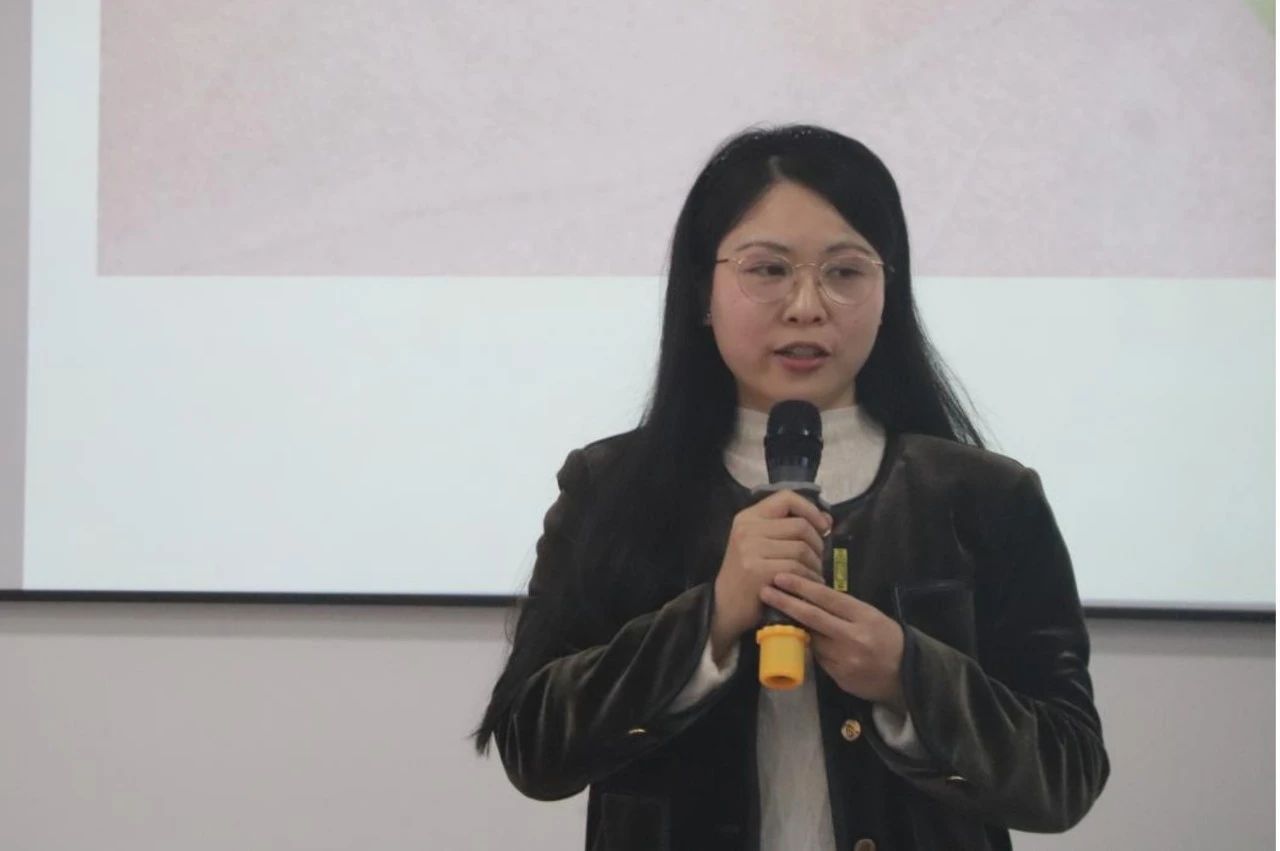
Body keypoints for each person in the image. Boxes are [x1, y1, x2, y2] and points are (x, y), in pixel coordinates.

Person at [471, 124, 1109, 850]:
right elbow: (533, 748)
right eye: (769, 269)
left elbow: (1066, 774)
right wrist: (711, 619)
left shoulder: (985, 497)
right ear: (702, 291)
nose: (807, 305)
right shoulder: (610, 487)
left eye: (845, 272)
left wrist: (907, 676)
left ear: (888, 292)